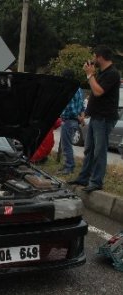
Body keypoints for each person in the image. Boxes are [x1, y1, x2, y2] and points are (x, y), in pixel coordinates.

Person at [68, 45, 121, 193]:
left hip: (104, 118)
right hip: (96, 117)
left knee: (99, 151)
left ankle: (97, 182)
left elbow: (98, 92)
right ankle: (84, 178)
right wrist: (86, 112)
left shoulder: (112, 74)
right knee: (89, 149)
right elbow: (94, 96)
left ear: (100, 57)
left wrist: (90, 75)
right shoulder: (103, 73)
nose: (92, 60)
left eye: (94, 56)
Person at [57, 69, 85, 175]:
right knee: (68, 144)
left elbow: (71, 108)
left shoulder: (69, 89)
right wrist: (82, 117)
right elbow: (82, 106)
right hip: (75, 121)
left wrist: (78, 117)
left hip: (69, 120)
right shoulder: (79, 89)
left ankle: (69, 167)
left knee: (66, 145)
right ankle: (67, 165)